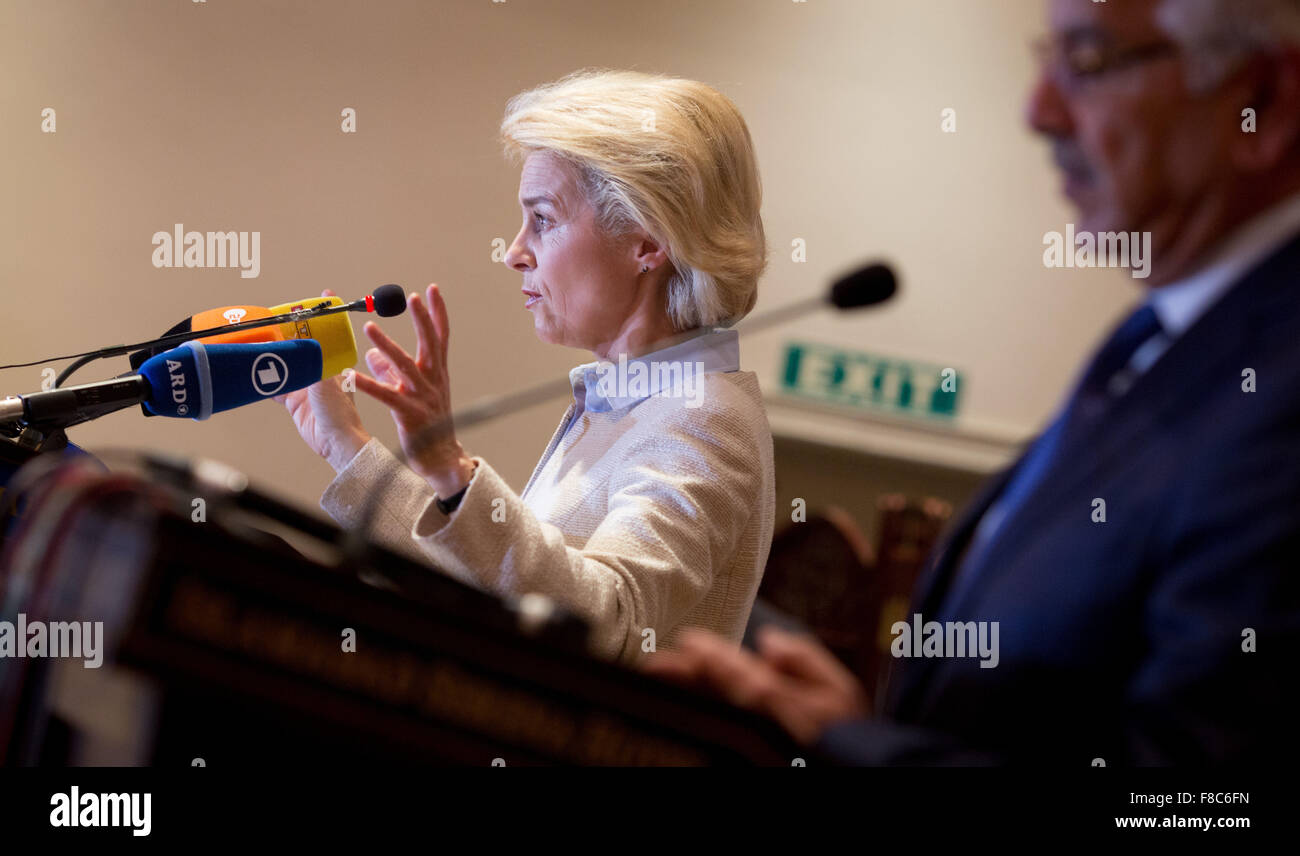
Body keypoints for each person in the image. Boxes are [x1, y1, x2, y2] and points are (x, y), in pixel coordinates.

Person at [646, 0, 1300, 764]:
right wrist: (856, 727)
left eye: (1088, 61)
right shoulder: (1162, 339)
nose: (1039, 110)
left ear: (1262, 103)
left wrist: (853, 750)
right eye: (1045, 59)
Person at [280, 70, 775, 664]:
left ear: (647, 240)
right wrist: (348, 449)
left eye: (542, 219)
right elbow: (489, 588)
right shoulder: (631, 402)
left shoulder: (702, 414)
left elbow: (612, 621)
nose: (515, 252)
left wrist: (453, 470)